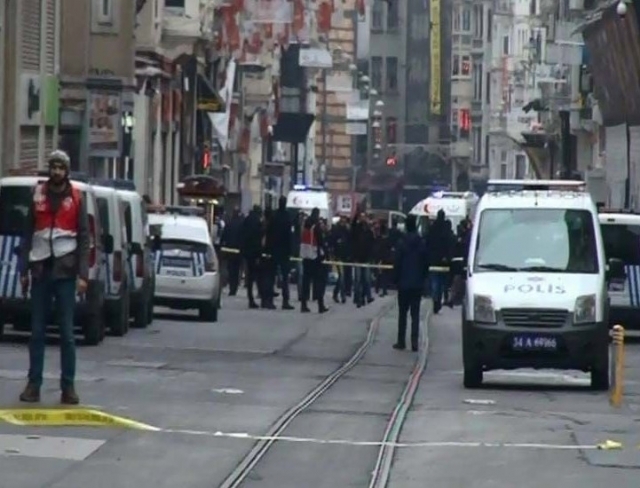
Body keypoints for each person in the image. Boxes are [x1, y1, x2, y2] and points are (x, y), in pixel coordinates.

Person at [18, 150, 90, 404]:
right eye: (54, 167)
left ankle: (68, 387)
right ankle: (33, 385)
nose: (57, 171)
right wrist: (23, 269)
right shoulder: (37, 194)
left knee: (67, 334)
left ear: (67, 171)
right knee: (37, 332)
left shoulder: (77, 198)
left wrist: (83, 275)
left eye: (61, 167)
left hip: (66, 272)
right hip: (40, 270)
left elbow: (84, 238)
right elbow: (27, 234)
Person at [393, 214, 428, 352]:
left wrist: (395, 279)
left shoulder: (401, 243)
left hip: (404, 283)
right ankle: (414, 342)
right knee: (415, 313)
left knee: (402, 313)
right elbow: (426, 263)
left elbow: (397, 262)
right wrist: (423, 278)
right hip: (417, 283)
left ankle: (401, 341)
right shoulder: (421, 243)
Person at [266, 196, 294, 309]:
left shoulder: (274, 216)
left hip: (274, 250)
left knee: (271, 276)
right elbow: (289, 236)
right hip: (284, 251)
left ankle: (269, 300)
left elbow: (269, 233)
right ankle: (285, 301)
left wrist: (268, 249)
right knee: (285, 277)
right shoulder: (287, 217)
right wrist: (290, 250)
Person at [300, 207, 328, 313]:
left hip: (306, 255)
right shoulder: (316, 226)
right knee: (318, 281)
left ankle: (304, 304)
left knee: (306, 281)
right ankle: (320, 305)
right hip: (315, 257)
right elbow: (320, 241)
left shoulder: (306, 225)